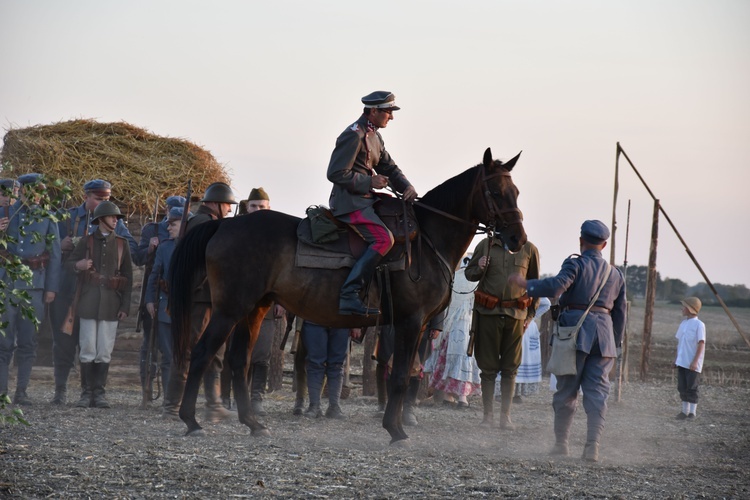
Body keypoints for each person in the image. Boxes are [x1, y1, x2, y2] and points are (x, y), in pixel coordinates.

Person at [508, 220, 627, 462]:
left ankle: (562, 444)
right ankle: (592, 446)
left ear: (581, 241)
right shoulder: (616, 274)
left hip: (574, 334)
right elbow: (620, 313)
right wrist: (614, 343)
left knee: (566, 392)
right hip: (604, 339)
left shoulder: (575, 264)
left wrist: (526, 285)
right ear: (604, 245)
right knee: (597, 393)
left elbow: (556, 286)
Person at [327, 90, 418, 316]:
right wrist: (370, 181)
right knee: (383, 239)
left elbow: (388, 166)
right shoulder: (353, 135)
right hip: (349, 203)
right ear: (374, 111)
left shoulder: (375, 136)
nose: (392, 117)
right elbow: (336, 173)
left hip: (366, 199)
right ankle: (349, 293)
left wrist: (406, 186)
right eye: (388, 112)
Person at [49, 179, 137, 405]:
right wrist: (60, 245)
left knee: (98, 345)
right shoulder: (67, 217)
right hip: (68, 291)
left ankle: (95, 392)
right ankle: (61, 390)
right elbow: (47, 245)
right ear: (86, 196)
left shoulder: (113, 222)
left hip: (96, 295)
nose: (102, 203)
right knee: (64, 343)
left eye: (106, 199)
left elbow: (130, 251)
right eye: (98, 199)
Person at [164, 181, 236, 422]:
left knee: (214, 352)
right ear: (215, 203)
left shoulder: (206, 223)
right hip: (198, 297)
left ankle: (213, 404)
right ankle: (172, 406)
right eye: (227, 205)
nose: (228, 209)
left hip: (210, 298)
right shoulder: (203, 224)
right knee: (187, 350)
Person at [465, 237, 540, 430]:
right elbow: (469, 274)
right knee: (487, 368)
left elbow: (534, 285)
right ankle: (487, 417)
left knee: (510, 368)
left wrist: (530, 316)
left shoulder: (529, 249)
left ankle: (505, 417)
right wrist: (479, 267)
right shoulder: (485, 245)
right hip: (487, 313)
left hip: (516, 316)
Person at [221, 187, 284, 416]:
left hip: (264, 305)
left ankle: (256, 397)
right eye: (254, 206)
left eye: (262, 207)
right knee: (232, 353)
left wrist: (282, 300)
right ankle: (226, 397)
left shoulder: (276, 236)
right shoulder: (233, 231)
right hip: (235, 303)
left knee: (261, 355)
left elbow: (283, 272)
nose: (258, 210)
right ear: (247, 207)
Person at [0, 173, 62, 404]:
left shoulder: (48, 218)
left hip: (35, 287)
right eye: (32, 190)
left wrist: (51, 289)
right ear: (22, 191)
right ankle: (2, 392)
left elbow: (55, 256)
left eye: (40, 190)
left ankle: (21, 392)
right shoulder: (5, 214)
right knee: (4, 342)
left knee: (28, 341)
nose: (37, 195)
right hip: (7, 284)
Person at [67, 200, 133, 408]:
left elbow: (128, 277)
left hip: (111, 304)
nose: (116, 220)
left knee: (104, 350)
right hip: (88, 302)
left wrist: (124, 307)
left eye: (117, 218)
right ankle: (86, 393)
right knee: (87, 348)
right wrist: (79, 265)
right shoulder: (86, 241)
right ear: (101, 219)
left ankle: (99, 393)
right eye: (113, 217)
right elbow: (68, 265)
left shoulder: (122, 243)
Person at [135, 195, 186, 399]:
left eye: (175, 222)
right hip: (161, 301)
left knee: (179, 353)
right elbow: (148, 267)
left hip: (182, 306)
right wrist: (149, 300)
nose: (170, 226)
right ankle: (152, 391)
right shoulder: (154, 233)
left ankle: (177, 396)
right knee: (152, 346)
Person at [426, 258, 481, 409]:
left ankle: (448, 396)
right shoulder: (477, 280)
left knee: (449, 359)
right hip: (468, 326)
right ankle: (462, 398)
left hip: (450, 326)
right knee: (464, 358)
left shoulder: (454, 278)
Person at [298, 318, 362, 419]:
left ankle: (334, 407)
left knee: (337, 364)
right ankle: (314, 406)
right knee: (315, 362)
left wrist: (357, 323)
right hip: (313, 317)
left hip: (342, 318)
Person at [511, 297, 551, 403]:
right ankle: (515, 393)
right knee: (518, 358)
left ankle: (513, 392)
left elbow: (546, 303)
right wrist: (531, 317)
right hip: (525, 324)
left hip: (519, 324)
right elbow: (546, 304)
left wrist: (531, 317)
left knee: (516, 357)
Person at [674, 296, 706, 420]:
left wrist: (695, 361)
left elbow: (701, 343)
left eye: (684, 307)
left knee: (692, 387)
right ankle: (684, 411)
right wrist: (676, 359)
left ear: (690, 309)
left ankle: (692, 412)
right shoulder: (683, 324)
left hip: (692, 363)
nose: (682, 309)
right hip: (682, 362)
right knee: (682, 386)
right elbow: (680, 343)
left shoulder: (699, 325)